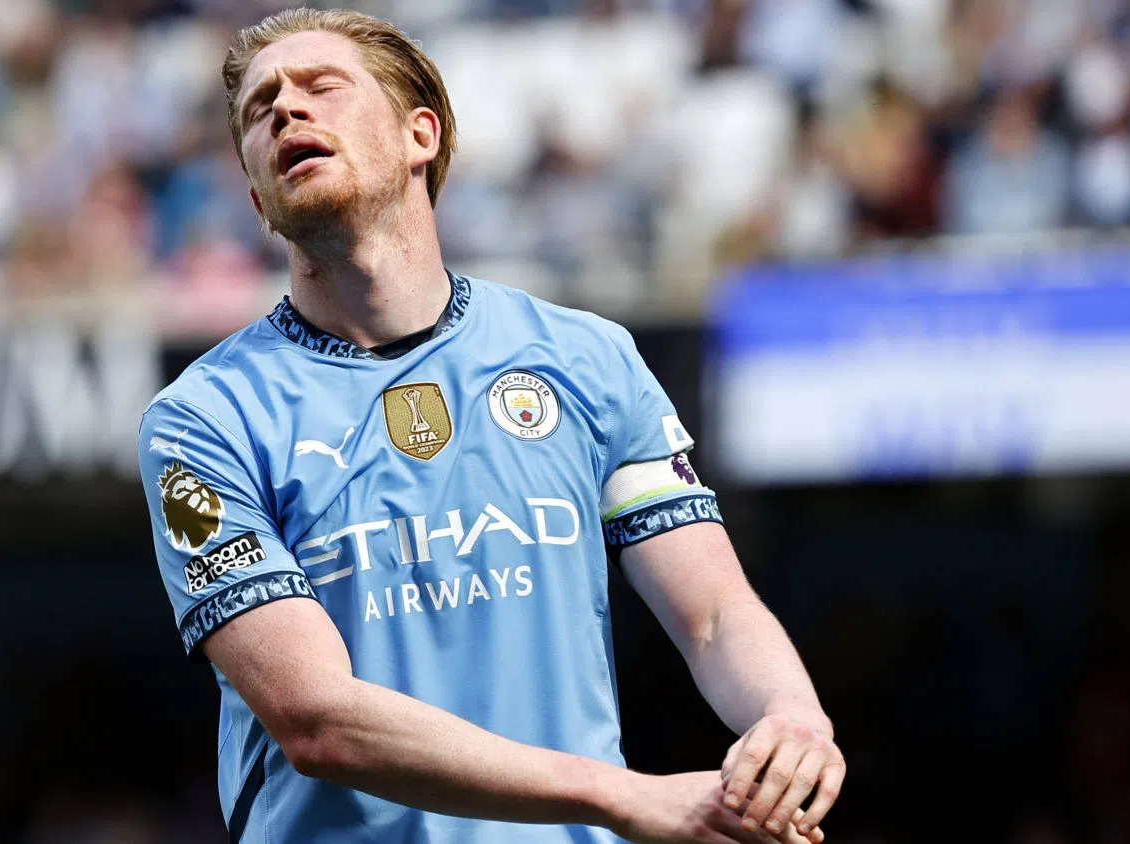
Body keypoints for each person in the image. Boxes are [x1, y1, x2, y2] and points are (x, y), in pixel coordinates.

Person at [137, 9, 844, 843]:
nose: (288, 110)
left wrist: (793, 716)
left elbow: (716, 614)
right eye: (261, 110)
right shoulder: (203, 419)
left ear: (421, 135)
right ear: (258, 198)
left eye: (322, 87)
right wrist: (618, 795)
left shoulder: (586, 359)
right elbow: (316, 718)